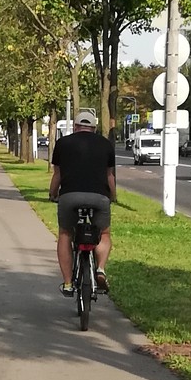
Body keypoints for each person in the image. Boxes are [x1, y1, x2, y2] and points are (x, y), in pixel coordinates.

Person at [48, 108, 116, 295]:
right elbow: (109, 176)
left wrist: (52, 194)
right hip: (99, 197)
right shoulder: (106, 144)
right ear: (94, 128)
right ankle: (100, 269)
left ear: (75, 127)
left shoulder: (63, 143)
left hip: (70, 196)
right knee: (104, 234)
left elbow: (58, 175)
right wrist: (113, 196)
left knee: (65, 234)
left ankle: (68, 283)